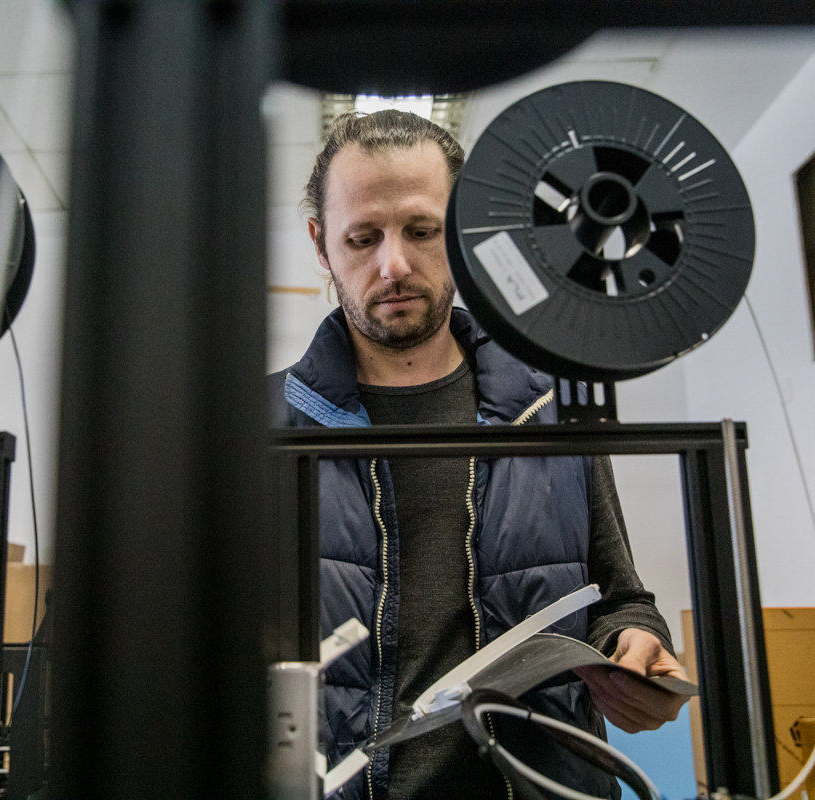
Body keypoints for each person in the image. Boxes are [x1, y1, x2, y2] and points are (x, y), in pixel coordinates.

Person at [267, 110, 689, 800]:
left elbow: (619, 598)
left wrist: (636, 646)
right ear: (321, 244)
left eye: (423, 231)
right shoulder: (265, 428)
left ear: (464, 231)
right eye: (363, 237)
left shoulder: (548, 411)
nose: (394, 263)